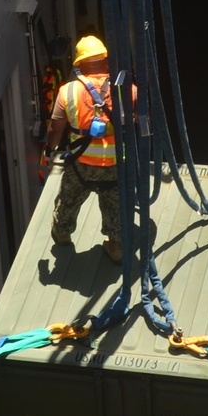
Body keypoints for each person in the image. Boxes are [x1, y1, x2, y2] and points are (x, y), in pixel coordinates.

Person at [45, 36, 123, 264]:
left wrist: (51, 151)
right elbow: (138, 119)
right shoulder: (125, 89)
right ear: (106, 61)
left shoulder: (67, 91)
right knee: (115, 205)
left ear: (78, 64)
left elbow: (55, 128)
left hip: (81, 164)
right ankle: (115, 246)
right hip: (116, 164)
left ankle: (62, 233)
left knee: (68, 199)